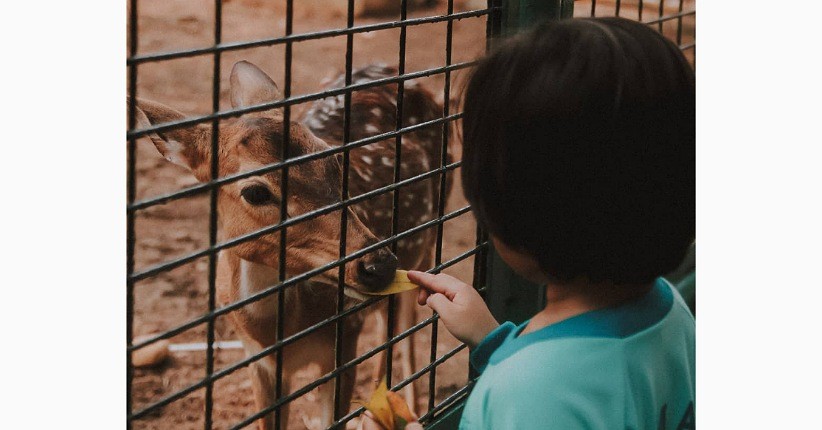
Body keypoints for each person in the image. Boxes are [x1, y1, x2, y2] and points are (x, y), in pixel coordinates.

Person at [403, 16, 695, 429]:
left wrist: (517, 370)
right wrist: (495, 342)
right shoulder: (669, 312)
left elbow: (548, 394)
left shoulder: (527, 394)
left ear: (507, 205)